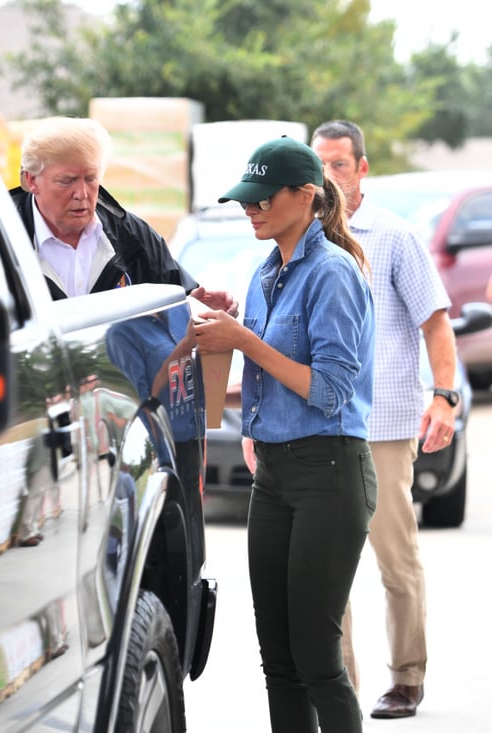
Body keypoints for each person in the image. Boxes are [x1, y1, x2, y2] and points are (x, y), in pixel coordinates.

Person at [192, 136, 377, 732]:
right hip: (272, 475)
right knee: (278, 660)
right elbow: (267, 373)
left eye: (262, 197)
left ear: (306, 196)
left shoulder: (333, 271)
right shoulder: (265, 270)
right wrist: (230, 326)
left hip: (329, 472)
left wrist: (245, 340)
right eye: (246, 199)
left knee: (317, 659)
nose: (251, 208)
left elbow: (328, 392)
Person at [311, 119, 459, 719]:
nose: (328, 178)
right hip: (317, 427)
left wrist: (444, 396)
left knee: (395, 560)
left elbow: (435, 322)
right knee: (327, 569)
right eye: (318, 166)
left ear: (362, 169)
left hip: (385, 427)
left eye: (339, 165)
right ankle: (339, 681)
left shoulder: (394, 237)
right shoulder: (302, 240)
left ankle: (406, 678)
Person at [9, 116, 237, 313]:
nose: (82, 193)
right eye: (66, 181)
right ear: (31, 181)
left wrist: (196, 307)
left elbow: (178, 298)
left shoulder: (132, 236)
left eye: (91, 178)